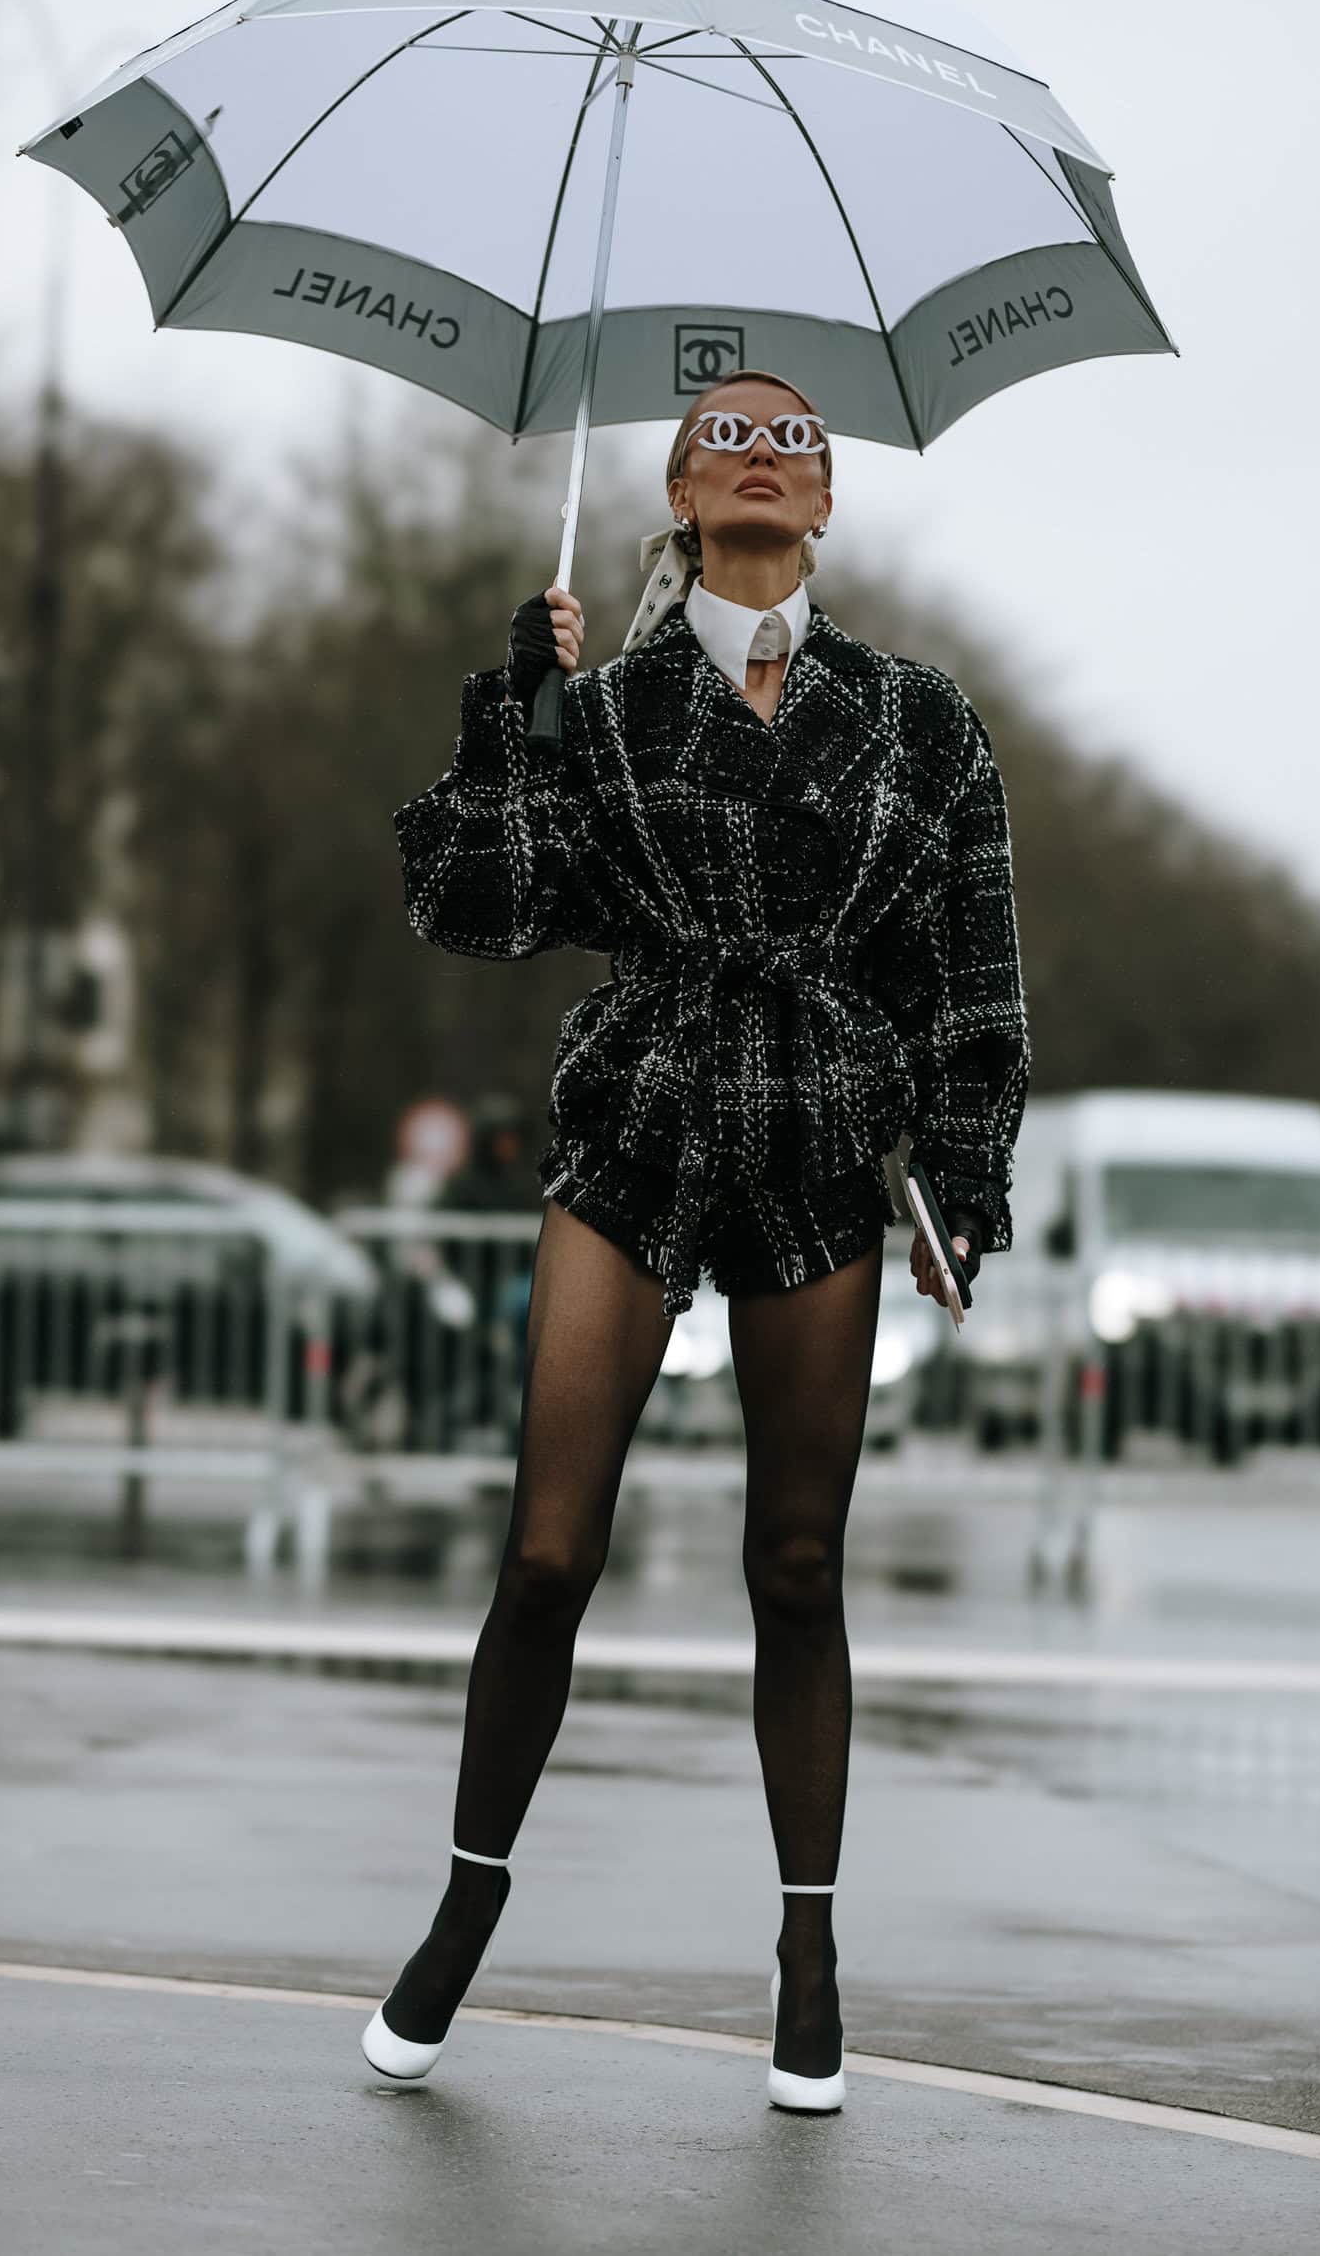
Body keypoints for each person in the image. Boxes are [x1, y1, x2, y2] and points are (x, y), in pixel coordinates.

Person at [365, 369, 1031, 2113]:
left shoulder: (921, 719)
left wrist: (965, 1161)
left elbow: (971, 969)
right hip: (640, 1116)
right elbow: (473, 904)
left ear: (828, 505)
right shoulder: (596, 709)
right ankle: (462, 1908)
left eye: (796, 439)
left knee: (797, 1566)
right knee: (546, 1556)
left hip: (819, 1130)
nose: (762, 448)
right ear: (674, 487)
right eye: (727, 430)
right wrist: (513, 714)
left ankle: (808, 1955)